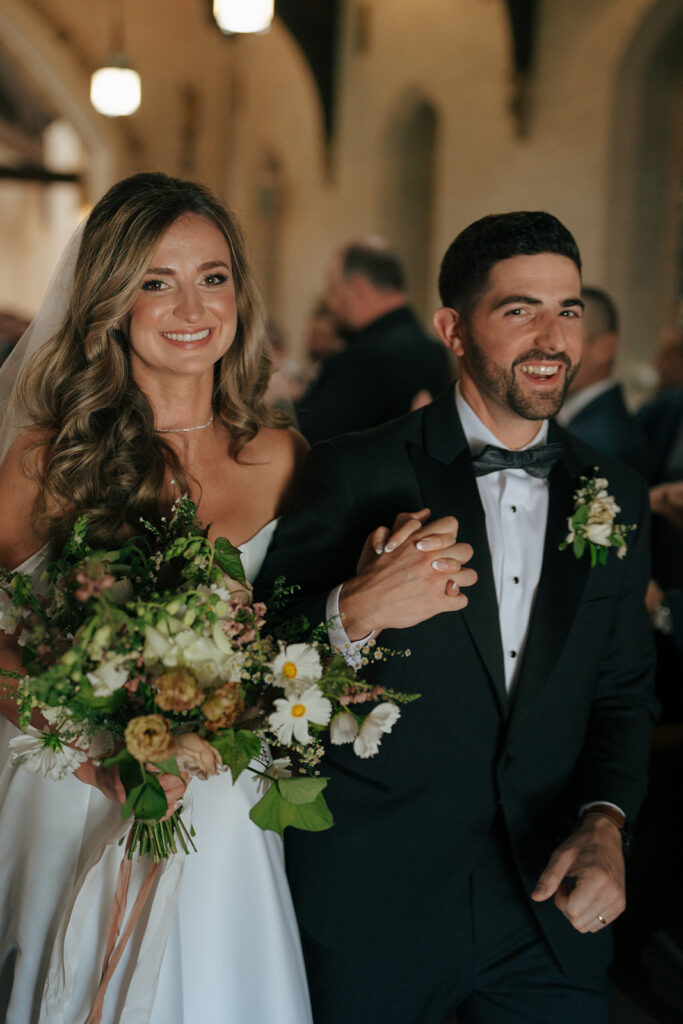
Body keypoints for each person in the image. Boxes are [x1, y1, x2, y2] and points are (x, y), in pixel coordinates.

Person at [258, 211, 658, 1024]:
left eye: (569, 310)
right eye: (519, 310)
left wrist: (607, 822)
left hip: (546, 913)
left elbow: (620, 693)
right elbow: (255, 672)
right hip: (374, 914)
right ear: (451, 328)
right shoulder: (352, 468)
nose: (551, 337)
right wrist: (354, 611)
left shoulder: (612, 493)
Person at [0, 173, 313, 1023]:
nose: (191, 307)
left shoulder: (284, 460)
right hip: (82, 794)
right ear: (109, 299)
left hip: (225, 807)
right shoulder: (45, 461)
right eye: (155, 281)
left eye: (212, 277)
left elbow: (301, 641)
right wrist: (98, 750)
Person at [294, 239, 452, 443]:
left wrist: (281, 403)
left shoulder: (361, 359)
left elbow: (308, 438)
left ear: (358, 289)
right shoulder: (435, 352)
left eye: (333, 291)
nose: (331, 306)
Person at [556, 286, 651, 478]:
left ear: (605, 348)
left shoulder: (603, 439)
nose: (551, 350)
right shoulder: (581, 423)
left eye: (566, 338)